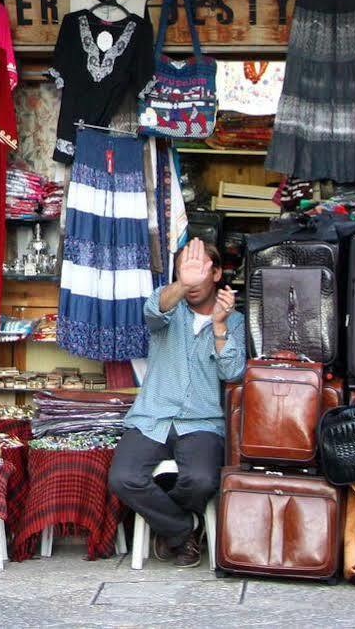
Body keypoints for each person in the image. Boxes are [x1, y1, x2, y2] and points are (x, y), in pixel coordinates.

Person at [107, 239, 246, 567]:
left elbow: (233, 370)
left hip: (201, 421)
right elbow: (153, 310)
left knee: (202, 480)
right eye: (187, 271)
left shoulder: (235, 321)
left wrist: (220, 325)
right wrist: (182, 283)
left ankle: (171, 529)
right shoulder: (170, 309)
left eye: (201, 272)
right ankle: (185, 529)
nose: (194, 280)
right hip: (152, 416)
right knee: (122, 478)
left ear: (216, 274)